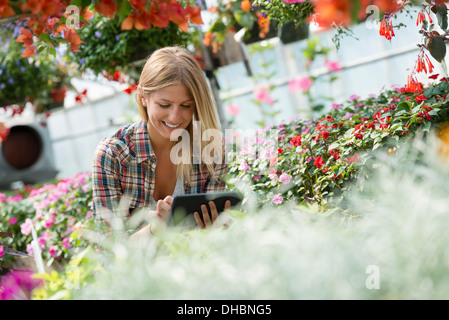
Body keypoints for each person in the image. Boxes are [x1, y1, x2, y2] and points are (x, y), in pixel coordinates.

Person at [91, 46, 230, 239]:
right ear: (143, 97)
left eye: (186, 106)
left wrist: (217, 229)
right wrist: (155, 228)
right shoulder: (114, 154)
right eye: (164, 105)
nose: (175, 117)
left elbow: (218, 240)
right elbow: (110, 252)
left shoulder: (209, 148)